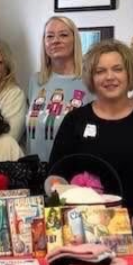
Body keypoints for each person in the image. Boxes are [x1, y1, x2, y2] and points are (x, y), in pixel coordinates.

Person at [49, 39, 133, 211]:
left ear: (129, 73)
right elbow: (55, 176)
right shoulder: (75, 120)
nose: (109, 77)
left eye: (117, 69)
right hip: (86, 221)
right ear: (91, 78)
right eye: (100, 71)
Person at [26, 16, 94, 160]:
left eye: (63, 35)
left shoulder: (90, 81)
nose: (55, 41)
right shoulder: (35, 81)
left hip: (72, 169)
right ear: (44, 43)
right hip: (34, 170)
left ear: (75, 40)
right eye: (50, 36)